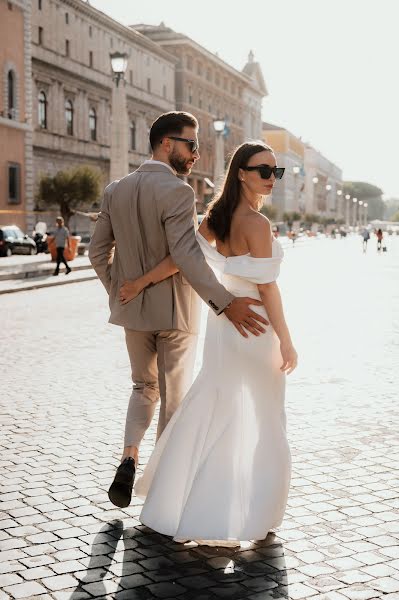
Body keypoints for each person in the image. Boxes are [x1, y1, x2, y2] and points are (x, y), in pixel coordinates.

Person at [89, 112, 268, 509]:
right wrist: (225, 303)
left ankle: (129, 456)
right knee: (174, 398)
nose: (196, 155)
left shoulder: (115, 190)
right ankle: (164, 495)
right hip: (175, 313)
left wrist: (119, 291)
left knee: (142, 387)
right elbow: (186, 256)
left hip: (132, 311)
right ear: (166, 144)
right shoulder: (178, 192)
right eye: (191, 146)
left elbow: (95, 252)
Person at [123, 141, 297, 545]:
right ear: (241, 172)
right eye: (264, 170)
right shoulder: (257, 224)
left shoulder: (216, 217)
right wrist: (287, 341)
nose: (272, 179)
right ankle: (246, 509)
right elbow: (269, 290)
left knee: (211, 405)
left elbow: (183, 259)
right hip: (255, 329)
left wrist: (142, 282)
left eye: (276, 172)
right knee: (262, 417)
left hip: (223, 329)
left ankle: (177, 500)